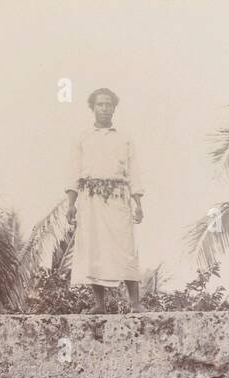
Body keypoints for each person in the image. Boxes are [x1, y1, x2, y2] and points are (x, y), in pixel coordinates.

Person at [66, 88, 144, 312]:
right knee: (93, 248)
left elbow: (134, 172)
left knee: (125, 248)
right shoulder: (82, 138)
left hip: (118, 198)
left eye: (108, 104)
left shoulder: (124, 138)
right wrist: (71, 204)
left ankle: (135, 303)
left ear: (114, 107)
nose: (104, 109)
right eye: (100, 104)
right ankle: (99, 303)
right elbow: (73, 173)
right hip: (90, 200)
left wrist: (138, 203)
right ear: (92, 108)